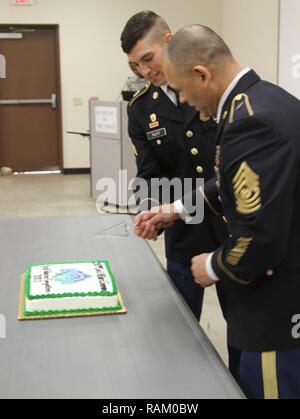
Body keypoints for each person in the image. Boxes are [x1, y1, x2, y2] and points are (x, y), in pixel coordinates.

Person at [137, 24, 300, 399]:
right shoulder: (263, 99)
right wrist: (176, 209)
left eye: (180, 91)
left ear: (202, 75)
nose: (182, 102)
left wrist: (212, 266)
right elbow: (234, 183)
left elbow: (260, 237)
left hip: (277, 311)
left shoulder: (249, 123)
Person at [121, 11, 242, 382]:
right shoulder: (141, 106)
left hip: (232, 232)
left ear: (170, 42)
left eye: (147, 59)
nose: (144, 71)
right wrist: (151, 216)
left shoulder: (213, 89)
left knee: (240, 327)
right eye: (134, 65)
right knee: (177, 329)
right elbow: (149, 173)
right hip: (183, 233)